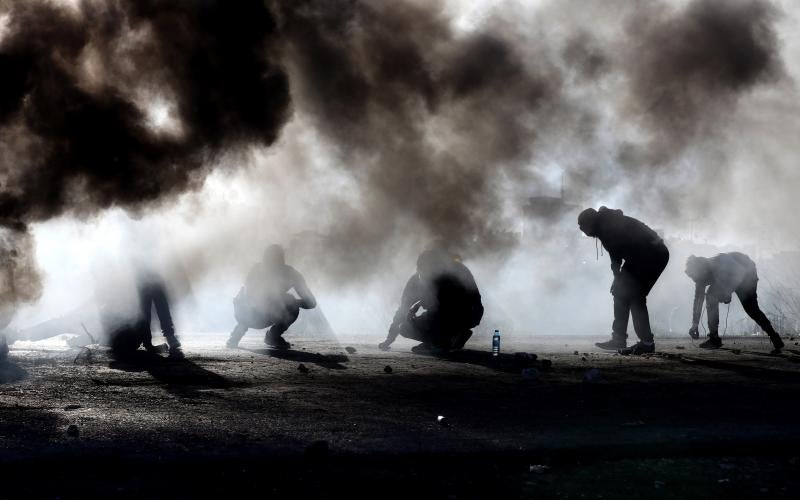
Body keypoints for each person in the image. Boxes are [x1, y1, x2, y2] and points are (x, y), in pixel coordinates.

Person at [578, 206, 669, 355]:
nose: (582, 230)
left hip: (652, 254)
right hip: (642, 255)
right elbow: (617, 253)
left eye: (583, 226)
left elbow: (615, 255)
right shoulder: (605, 223)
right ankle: (619, 338)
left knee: (635, 295)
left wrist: (617, 276)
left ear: (590, 222)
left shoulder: (605, 226)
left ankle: (646, 342)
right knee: (621, 292)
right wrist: (618, 278)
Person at [379, 248, 484, 354]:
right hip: (452, 317)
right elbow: (403, 310)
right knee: (405, 328)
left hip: (465, 315)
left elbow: (470, 301)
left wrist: (421, 303)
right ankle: (448, 340)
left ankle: (442, 341)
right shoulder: (416, 281)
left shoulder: (455, 273)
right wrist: (390, 338)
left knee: (438, 315)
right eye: (423, 271)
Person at [685, 253, 784, 351]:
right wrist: (695, 324)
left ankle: (773, 335)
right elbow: (698, 299)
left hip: (747, 274)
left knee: (752, 309)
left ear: (702, 270)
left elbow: (740, 272)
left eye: (694, 276)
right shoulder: (700, 276)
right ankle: (714, 338)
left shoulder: (720, 261)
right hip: (733, 277)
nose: (694, 280)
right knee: (711, 295)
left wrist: (727, 291)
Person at [226, 245, 317, 349]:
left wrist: (293, 302)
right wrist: (277, 299)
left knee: (292, 306)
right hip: (247, 314)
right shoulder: (257, 270)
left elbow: (312, 302)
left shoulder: (291, 274)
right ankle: (238, 332)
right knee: (246, 301)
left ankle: (272, 336)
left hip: (267, 315)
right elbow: (248, 295)